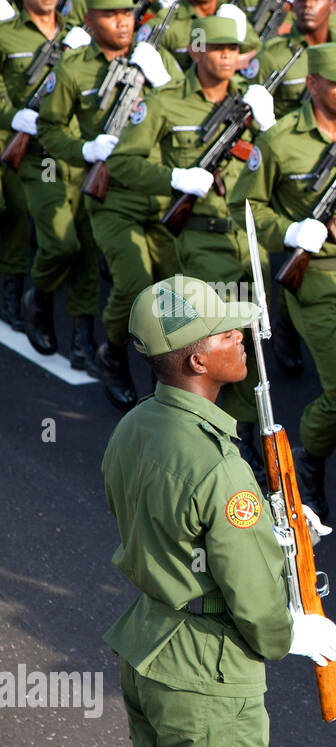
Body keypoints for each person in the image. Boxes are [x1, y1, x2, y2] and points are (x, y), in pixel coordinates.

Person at [102, 275, 336, 747]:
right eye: (224, 332)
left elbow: (164, 517)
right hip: (207, 683)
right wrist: (291, 633)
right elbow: (257, 607)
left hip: (151, 647)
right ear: (196, 358)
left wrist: (263, 521)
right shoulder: (221, 467)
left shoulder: (136, 426)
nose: (240, 336)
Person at [232, 42, 336, 555]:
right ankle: (308, 461)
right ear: (312, 84)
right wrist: (290, 231)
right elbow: (246, 207)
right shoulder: (281, 142)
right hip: (319, 281)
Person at [108, 12, 277, 478]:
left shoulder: (251, 107)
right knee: (216, 342)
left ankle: (244, 436)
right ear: (196, 50)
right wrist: (173, 178)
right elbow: (122, 163)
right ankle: (209, 442)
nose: (226, 58)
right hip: (200, 237)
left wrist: (271, 128)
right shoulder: (165, 104)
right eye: (217, 49)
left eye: (233, 51)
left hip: (248, 241)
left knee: (247, 346)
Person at [36, 0, 183, 412]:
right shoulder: (72, 69)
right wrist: (83, 149)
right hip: (112, 193)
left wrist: (162, 80)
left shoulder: (157, 58)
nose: (122, 21)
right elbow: (48, 127)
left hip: (160, 190)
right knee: (134, 282)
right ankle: (114, 352)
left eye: (127, 13)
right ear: (88, 18)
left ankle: (165, 371)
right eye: (110, 14)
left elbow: (188, 112)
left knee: (172, 289)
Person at [3, 0, 96, 366]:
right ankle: (38, 296)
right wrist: (13, 116)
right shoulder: (6, 34)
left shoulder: (83, 33)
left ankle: (82, 340)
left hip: (83, 154)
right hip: (39, 155)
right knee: (61, 245)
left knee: (88, 251)